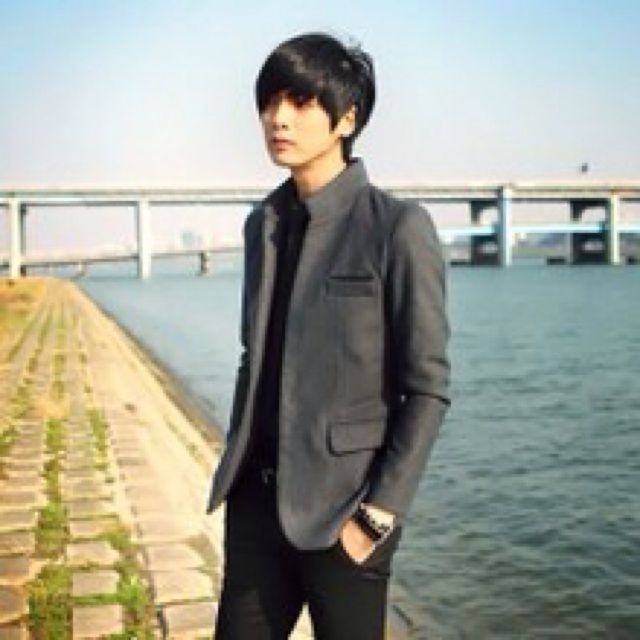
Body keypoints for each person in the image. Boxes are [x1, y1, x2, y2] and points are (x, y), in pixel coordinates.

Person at [207, 32, 450, 640]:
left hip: (346, 516)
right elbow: (252, 357)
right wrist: (237, 471)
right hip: (256, 510)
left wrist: (378, 515)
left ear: (347, 118)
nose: (277, 118)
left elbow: (427, 388)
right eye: (269, 102)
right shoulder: (262, 224)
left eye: (298, 102)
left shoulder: (396, 228)